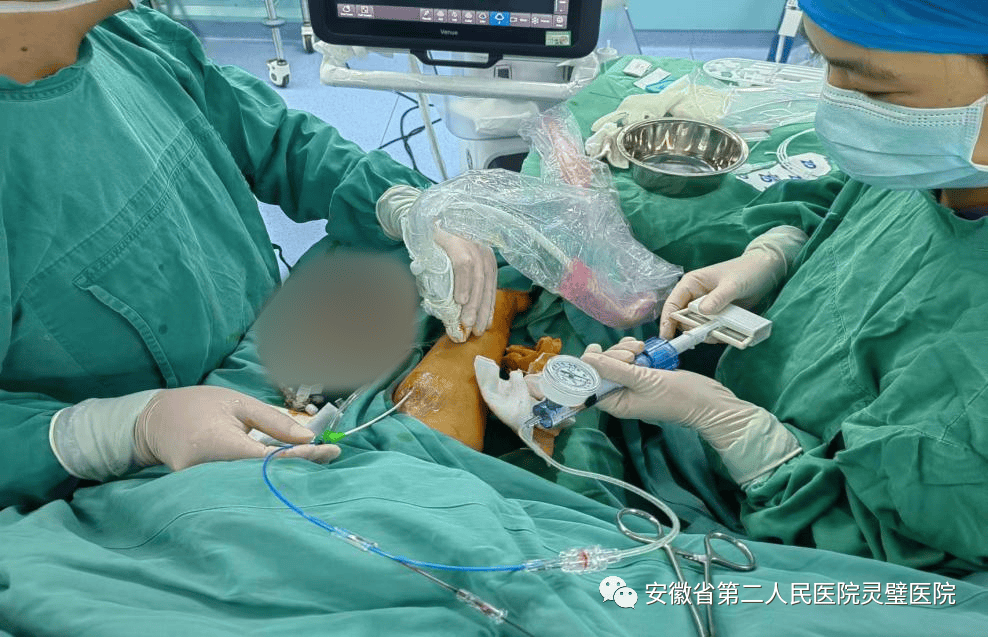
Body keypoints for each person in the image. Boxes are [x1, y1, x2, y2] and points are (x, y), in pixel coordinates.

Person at [0, 0, 497, 508]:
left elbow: (280, 140)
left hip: (268, 357)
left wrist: (401, 204)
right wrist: (122, 431)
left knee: (474, 268)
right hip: (145, 476)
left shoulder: (130, 37)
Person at [580, 0, 988, 573]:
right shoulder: (947, 162)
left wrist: (741, 436)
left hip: (792, 528)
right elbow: (852, 196)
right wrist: (778, 251)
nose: (835, 106)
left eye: (876, 90)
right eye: (823, 62)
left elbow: (895, 558)